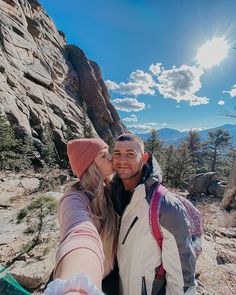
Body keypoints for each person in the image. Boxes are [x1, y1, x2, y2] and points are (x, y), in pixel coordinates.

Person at [111, 134, 197, 295]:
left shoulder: (165, 206)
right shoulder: (111, 195)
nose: (121, 160)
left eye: (130, 154)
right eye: (117, 154)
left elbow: (182, 278)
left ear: (143, 158)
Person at [44, 138, 118, 295]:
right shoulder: (73, 199)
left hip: (109, 277)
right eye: (104, 156)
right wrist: (76, 288)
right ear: (91, 166)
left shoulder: (111, 190)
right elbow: (81, 234)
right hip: (86, 281)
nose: (111, 157)